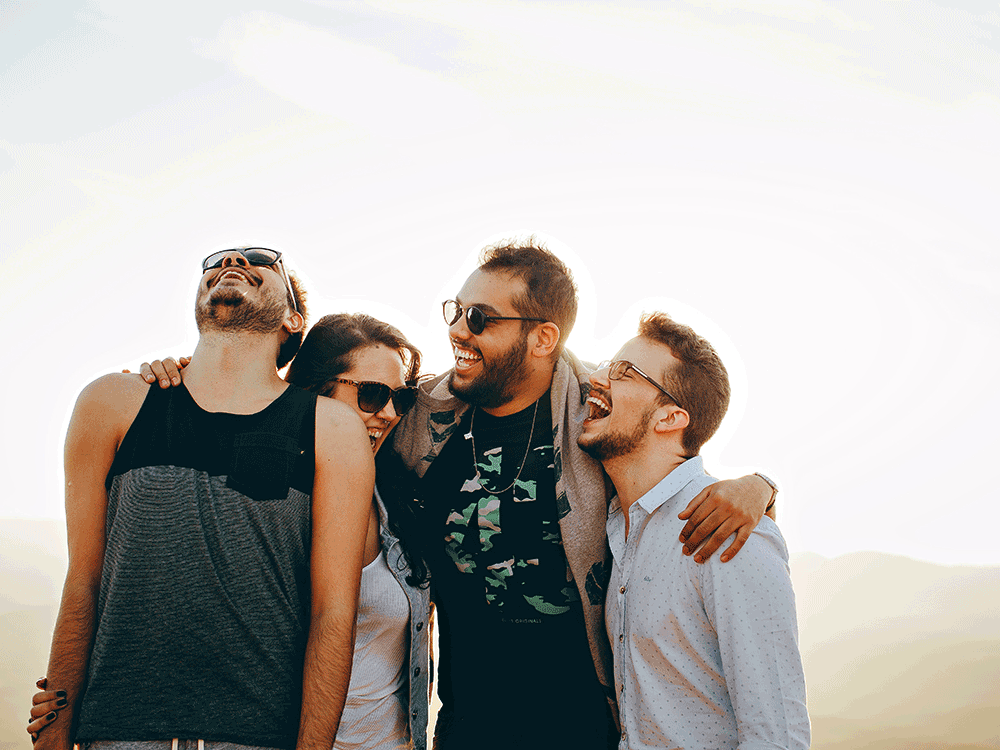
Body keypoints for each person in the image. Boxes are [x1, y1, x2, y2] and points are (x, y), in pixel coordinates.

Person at [381, 239, 778, 749]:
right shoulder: (422, 418)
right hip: (464, 728)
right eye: (456, 311)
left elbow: (672, 457)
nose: (457, 329)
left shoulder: (596, 412)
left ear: (544, 336)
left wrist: (759, 486)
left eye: (480, 317)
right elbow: (345, 429)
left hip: (589, 728)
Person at [31, 312, 434, 750]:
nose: (391, 412)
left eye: (403, 398)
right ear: (314, 392)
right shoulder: (263, 503)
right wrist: (64, 706)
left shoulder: (400, 502)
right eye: (372, 395)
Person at [578, 312, 809, 749]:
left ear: (670, 418)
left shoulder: (729, 532)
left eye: (624, 373)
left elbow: (777, 737)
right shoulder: (617, 528)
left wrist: (762, 487)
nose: (596, 378)